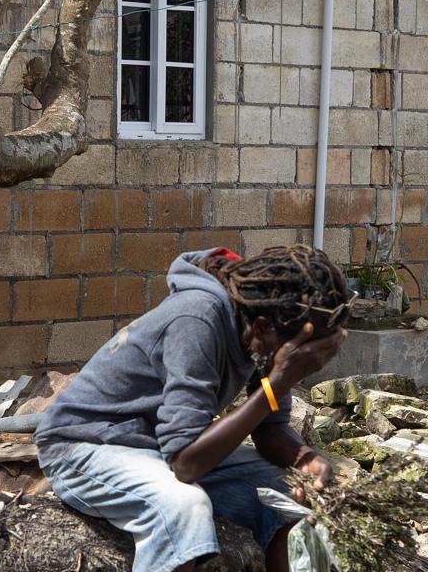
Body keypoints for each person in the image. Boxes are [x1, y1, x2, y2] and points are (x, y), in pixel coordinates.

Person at [35, 244, 351, 572]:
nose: (306, 364)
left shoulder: (261, 318)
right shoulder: (197, 317)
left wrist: (304, 459)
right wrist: (278, 382)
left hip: (155, 445)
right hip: (85, 446)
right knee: (183, 506)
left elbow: (269, 428)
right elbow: (186, 462)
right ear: (261, 329)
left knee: (289, 492)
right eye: (302, 356)